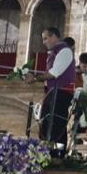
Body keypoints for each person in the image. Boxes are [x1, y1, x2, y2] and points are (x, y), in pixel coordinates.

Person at [34, 26, 76, 155]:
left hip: (61, 94)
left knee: (56, 124)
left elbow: (54, 73)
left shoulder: (64, 51)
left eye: (46, 38)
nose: (44, 42)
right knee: (46, 123)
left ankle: (57, 155)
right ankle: (46, 153)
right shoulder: (54, 53)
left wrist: (35, 77)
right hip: (52, 93)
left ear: (54, 37)